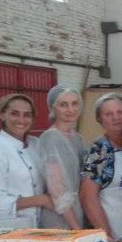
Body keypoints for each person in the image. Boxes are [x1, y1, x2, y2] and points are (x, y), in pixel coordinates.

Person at [0, 93, 53, 226]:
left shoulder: (36, 144)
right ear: (2, 114)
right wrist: (40, 200)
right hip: (8, 230)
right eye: (14, 114)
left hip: (39, 228)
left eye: (27, 115)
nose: (21, 120)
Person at [80, 92, 122, 239]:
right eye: (108, 114)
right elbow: (88, 197)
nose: (116, 117)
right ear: (99, 119)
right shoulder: (99, 151)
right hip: (113, 231)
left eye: (120, 112)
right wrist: (105, 234)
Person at [38, 85, 86, 229]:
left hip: (77, 210)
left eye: (74, 103)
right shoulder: (51, 138)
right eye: (63, 105)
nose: (71, 109)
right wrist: (76, 228)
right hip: (59, 217)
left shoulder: (78, 138)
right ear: (53, 108)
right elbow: (57, 190)